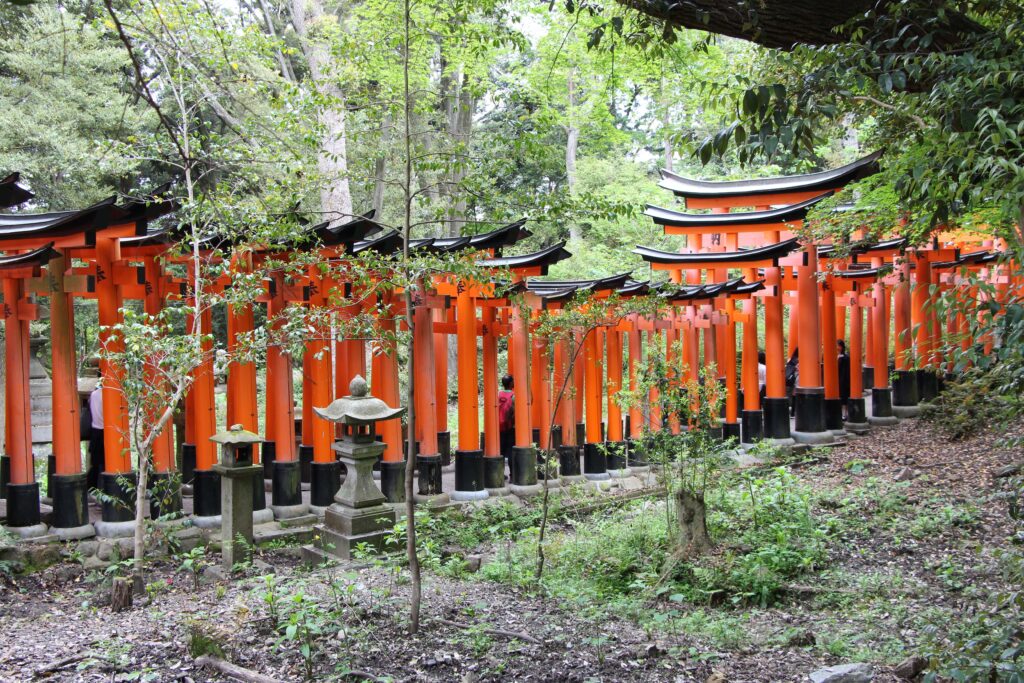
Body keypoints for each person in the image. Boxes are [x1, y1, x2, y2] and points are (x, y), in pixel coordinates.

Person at [87, 384, 104, 492]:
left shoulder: (93, 394)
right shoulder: (109, 394)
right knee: (105, 464)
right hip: (106, 431)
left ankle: (92, 488)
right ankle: (102, 488)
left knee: (95, 463)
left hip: (95, 431)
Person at [498, 375, 515, 480]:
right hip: (510, 427)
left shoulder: (498, 394)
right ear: (510, 384)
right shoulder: (514, 396)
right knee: (511, 450)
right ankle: (513, 475)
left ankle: (500, 474)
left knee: (501, 451)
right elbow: (515, 412)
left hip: (499, 427)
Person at [837, 339, 851, 420]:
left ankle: (844, 414)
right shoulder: (835, 356)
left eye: (838, 346)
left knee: (844, 397)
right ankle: (841, 413)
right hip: (837, 379)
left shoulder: (845, 357)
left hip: (844, 379)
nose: (837, 347)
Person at [785, 348, 799, 416]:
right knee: (795, 395)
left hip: (791, 379)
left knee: (793, 395)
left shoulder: (791, 359)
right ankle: (794, 411)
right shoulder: (798, 360)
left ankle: (793, 412)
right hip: (797, 379)